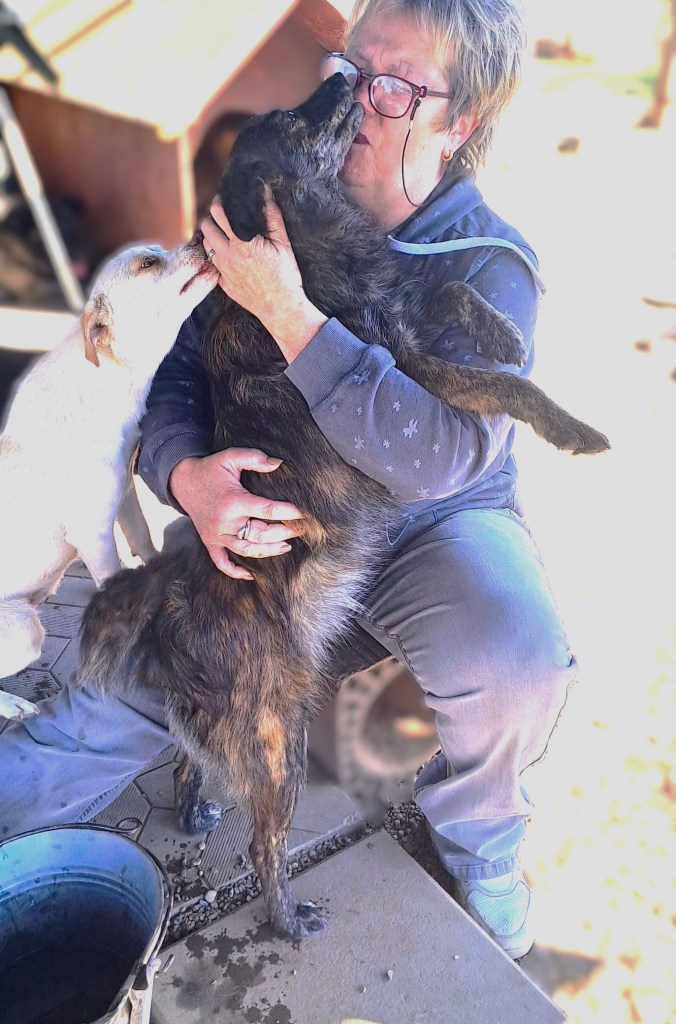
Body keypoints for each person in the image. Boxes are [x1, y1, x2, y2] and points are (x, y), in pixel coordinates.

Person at [0, 0, 577, 960]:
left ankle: (482, 844)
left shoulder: (487, 259)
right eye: (351, 68)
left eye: (396, 89)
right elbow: (174, 369)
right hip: (274, 528)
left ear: (461, 123)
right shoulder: (277, 197)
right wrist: (186, 475)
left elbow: (440, 455)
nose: (356, 100)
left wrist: (292, 317)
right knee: (128, 694)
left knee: (518, 653)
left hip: (428, 528)